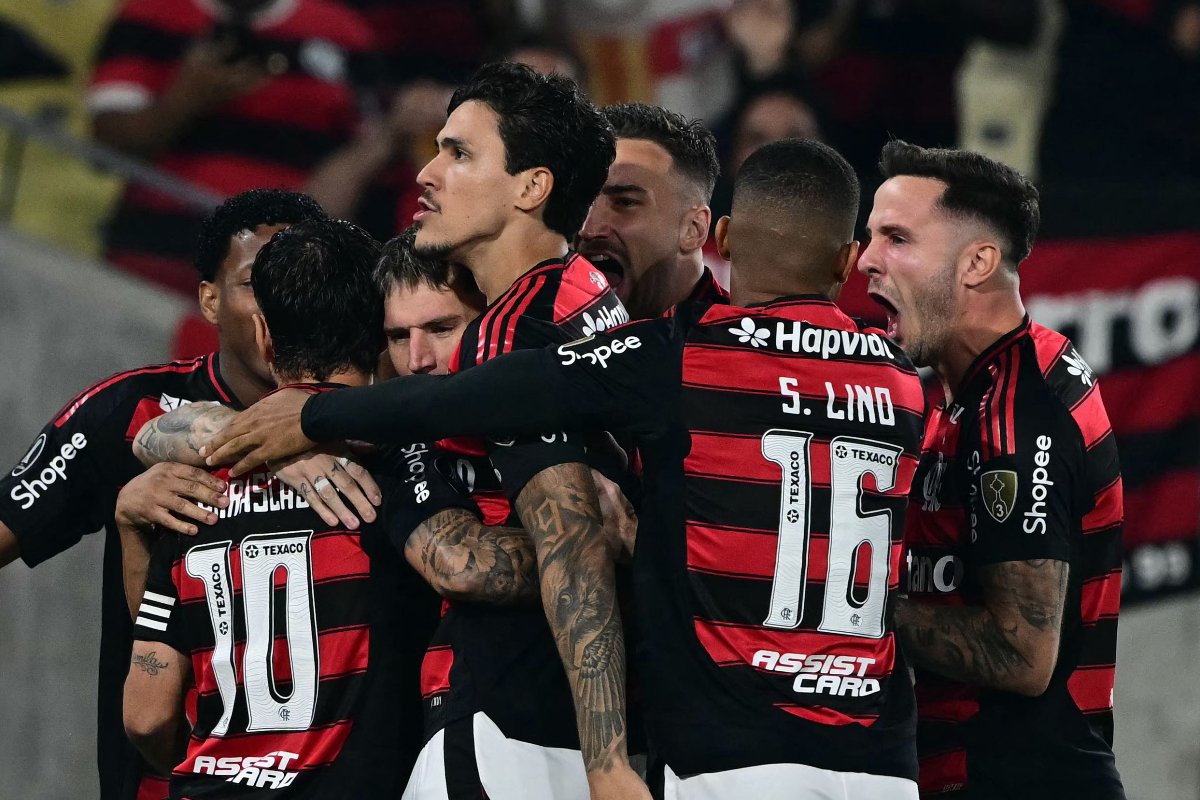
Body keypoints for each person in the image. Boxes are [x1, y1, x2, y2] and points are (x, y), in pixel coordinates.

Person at [202, 138, 929, 800]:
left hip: (730, 751)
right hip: (882, 759)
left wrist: (312, 417)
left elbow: (474, 394)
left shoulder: (677, 359)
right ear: (845, 262)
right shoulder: (907, 387)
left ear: (723, 239)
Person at [173, 61, 646, 800]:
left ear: (531, 187)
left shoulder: (514, 329)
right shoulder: (586, 295)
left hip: (509, 730)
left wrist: (606, 762)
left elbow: (571, 546)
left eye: (459, 153)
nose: (427, 172)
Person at [122, 217, 529, 797]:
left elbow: (145, 715)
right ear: (378, 334)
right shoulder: (405, 465)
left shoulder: (190, 486)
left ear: (264, 335)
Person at [0, 188, 339, 800]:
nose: (282, 306)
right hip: (166, 780)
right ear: (209, 300)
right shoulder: (129, 409)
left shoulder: (375, 410)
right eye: (255, 283)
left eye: (299, 279)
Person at [858, 141, 1125, 798]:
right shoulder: (962, 393)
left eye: (896, 238)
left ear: (977, 262)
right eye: (870, 237)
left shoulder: (1017, 414)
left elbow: (1021, 652)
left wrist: (848, 601)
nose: (865, 261)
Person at [87, 0, 375, 293]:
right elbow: (107, 147)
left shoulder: (344, 34)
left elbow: (366, 159)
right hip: (150, 269)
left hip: (274, 288)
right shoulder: (152, 11)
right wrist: (185, 99)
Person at [576, 103, 726, 320]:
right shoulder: (533, 337)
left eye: (625, 203)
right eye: (582, 201)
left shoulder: (747, 350)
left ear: (694, 228)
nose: (588, 229)